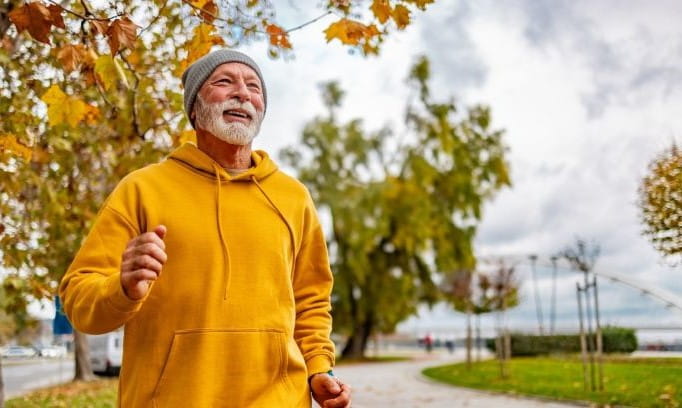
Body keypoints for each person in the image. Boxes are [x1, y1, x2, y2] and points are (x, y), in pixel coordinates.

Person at [59, 49, 351, 408]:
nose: (242, 93)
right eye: (224, 82)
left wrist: (319, 369)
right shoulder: (142, 189)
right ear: (194, 109)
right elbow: (78, 298)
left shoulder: (294, 197)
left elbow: (311, 301)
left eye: (253, 86)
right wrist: (122, 287)